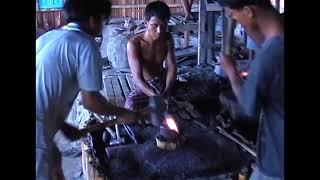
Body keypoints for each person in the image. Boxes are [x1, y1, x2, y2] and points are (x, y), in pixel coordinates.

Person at [36, 0, 144, 179]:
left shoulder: (48, 37)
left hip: (42, 123)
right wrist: (123, 113)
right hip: (38, 128)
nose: (103, 25)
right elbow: (91, 102)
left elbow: (43, 88)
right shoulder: (85, 44)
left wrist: (62, 125)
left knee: (55, 163)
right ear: (94, 20)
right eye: (104, 20)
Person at [216, 0, 284, 179]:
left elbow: (248, 106)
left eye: (236, 18)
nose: (240, 26)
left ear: (248, 11)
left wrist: (231, 71)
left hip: (277, 164)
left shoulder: (268, 58)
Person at [124, 1, 177, 111]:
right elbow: (137, 78)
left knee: (193, 95)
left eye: (163, 26)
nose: (159, 31)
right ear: (145, 23)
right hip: (143, 86)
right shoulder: (134, 43)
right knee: (130, 107)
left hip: (162, 81)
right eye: (154, 26)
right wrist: (155, 96)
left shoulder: (167, 39)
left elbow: (171, 67)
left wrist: (167, 91)